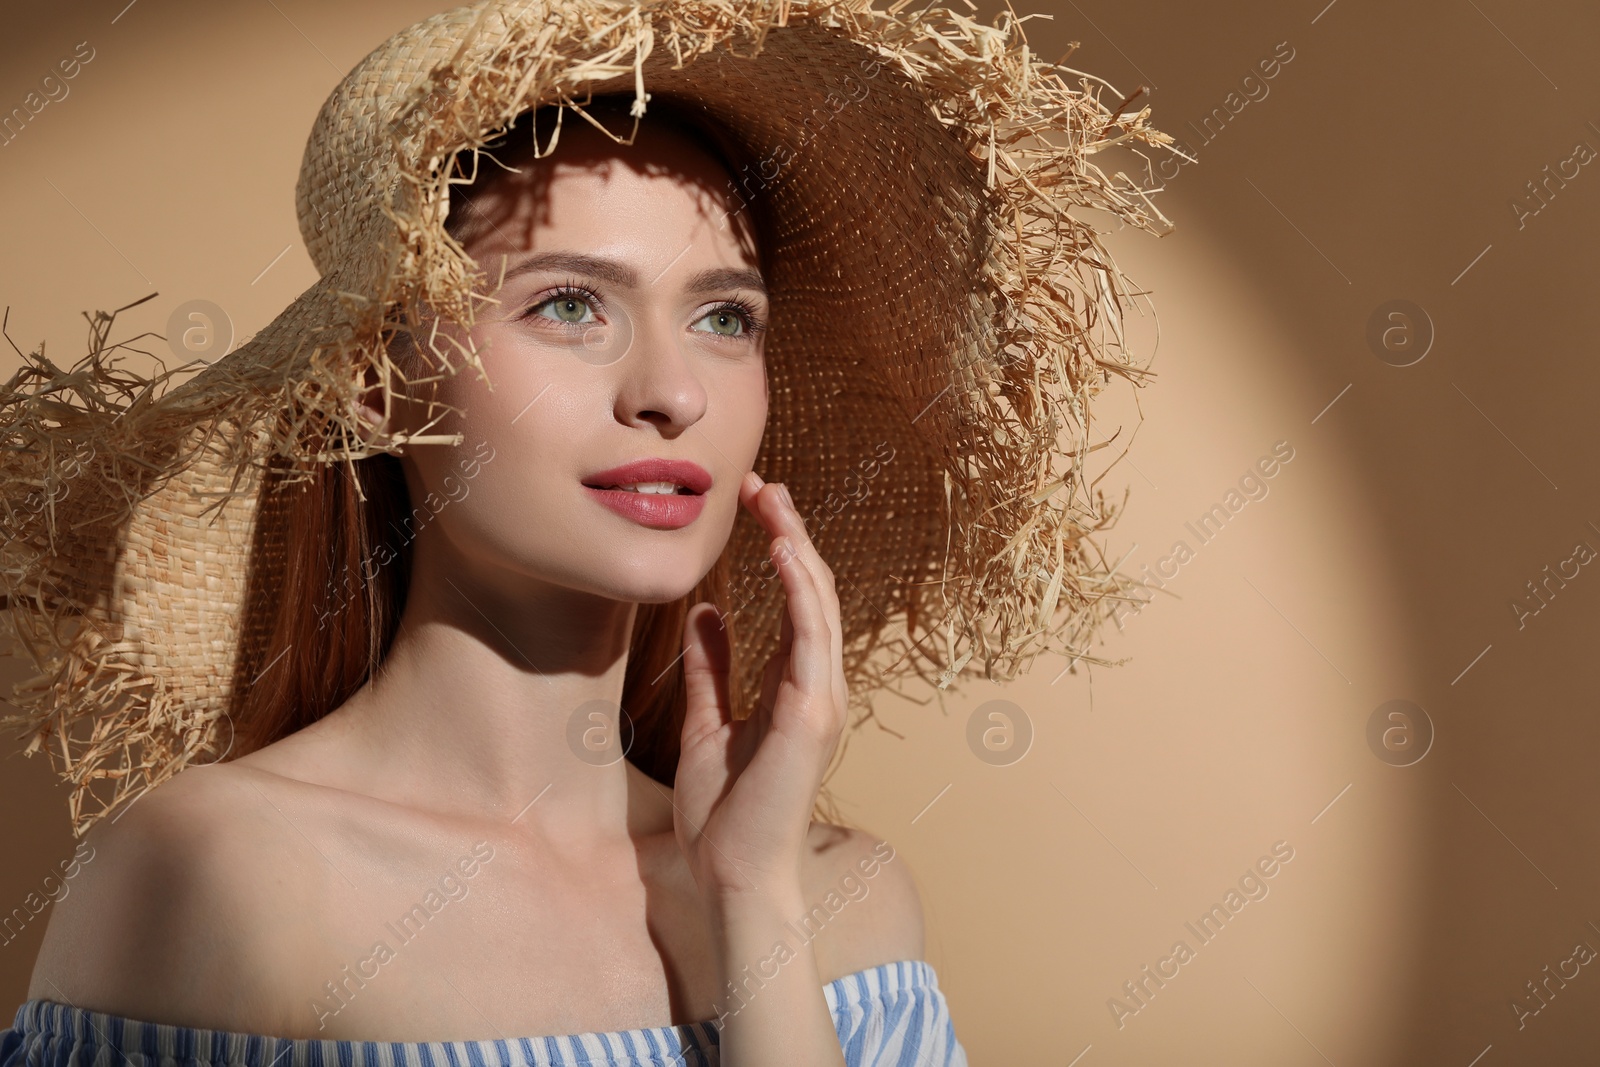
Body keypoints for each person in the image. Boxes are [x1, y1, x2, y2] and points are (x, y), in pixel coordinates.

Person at [0, 1, 1173, 1063]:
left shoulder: (842, 904)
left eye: (723, 316)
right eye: (570, 304)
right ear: (375, 384)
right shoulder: (214, 871)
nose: (671, 391)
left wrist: (751, 903)